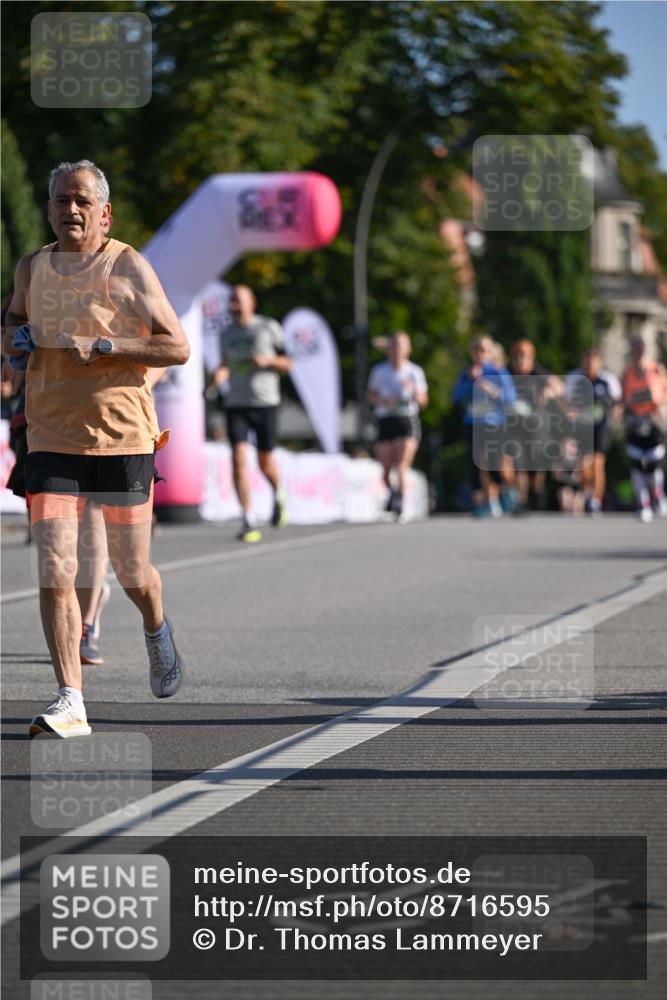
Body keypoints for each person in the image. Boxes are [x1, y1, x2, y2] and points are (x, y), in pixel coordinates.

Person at [2, 159, 190, 738]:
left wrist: (106, 346)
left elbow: (176, 347)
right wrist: (18, 340)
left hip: (122, 436)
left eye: (82, 201)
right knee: (55, 568)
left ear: (104, 213)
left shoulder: (128, 266)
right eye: (62, 200)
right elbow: (9, 328)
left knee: (132, 572)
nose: (71, 210)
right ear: (49, 209)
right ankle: (70, 698)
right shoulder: (32, 268)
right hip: (50, 438)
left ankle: (156, 626)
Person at [206, 284, 292, 542]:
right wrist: (216, 380)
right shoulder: (226, 334)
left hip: (265, 402)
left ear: (251, 303)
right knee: (238, 459)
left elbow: (289, 363)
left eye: (238, 301)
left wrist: (269, 361)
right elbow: (225, 365)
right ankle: (248, 519)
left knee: (265, 461)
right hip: (236, 404)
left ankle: (278, 492)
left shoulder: (267, 327)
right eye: (231, 301)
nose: (234, 306)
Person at [452, 335, 516, 517]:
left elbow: (510, 398)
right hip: (473, 424)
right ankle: (483, 503)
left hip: (493, 424)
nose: (480, 353)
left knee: (494, 464)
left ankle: (508, 495)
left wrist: (492, 390)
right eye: (476, 350)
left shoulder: (498, 372)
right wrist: (470, 382)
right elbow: (455, 397)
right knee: (476, 465)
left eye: (484, 350)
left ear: (490, 352)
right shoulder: (467, 374)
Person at [367, 331, 428, 521]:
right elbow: (371, 395)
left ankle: (401, 503)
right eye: (393, 346)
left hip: (406, 420)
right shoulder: (379, 371)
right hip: (386, 420)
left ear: (408, 349)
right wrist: (383, 401)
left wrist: (413, 392)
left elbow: (423, 400)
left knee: (401, 465)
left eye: (400, 346)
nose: (396, 350)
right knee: (386, 470)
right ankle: (393, 493)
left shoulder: (414, 372)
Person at [507, 339, 564, 512]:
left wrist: (547, 393)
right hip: (515, 427)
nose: (520, 359)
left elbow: (559, 387)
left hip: (537, 427)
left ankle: (537, 493)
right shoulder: (507, 373)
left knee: (537, 464)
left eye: (524, 356)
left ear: (532, 358)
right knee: (519, 464)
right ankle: (522, 501)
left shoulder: (538, 373)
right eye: (517, 355)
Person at [564, 347, 622, 514]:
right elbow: (564, 400)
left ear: (599, 362)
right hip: (582, 426)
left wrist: (616, 411)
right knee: (584, 466)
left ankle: (596, 501)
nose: (590, 362)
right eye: (587, 358)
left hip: (601, 427)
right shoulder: (575, 378)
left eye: (593, 359)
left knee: (598, 462)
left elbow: (618, 401)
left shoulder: (607, 380)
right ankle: (587, 493)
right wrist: (569, 411)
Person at [622, 338, 667, 522]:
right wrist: (642, 399)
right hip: (635, 422)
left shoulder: (656, 370)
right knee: (638, 466)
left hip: (654, 422)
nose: (638, 353)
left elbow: (657, 396)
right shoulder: (628, 373)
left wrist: (643, 399)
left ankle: (658, 496)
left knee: (654, 463)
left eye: (641, 350)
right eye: (635, 350)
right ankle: (643, 503)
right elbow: (626, 400)